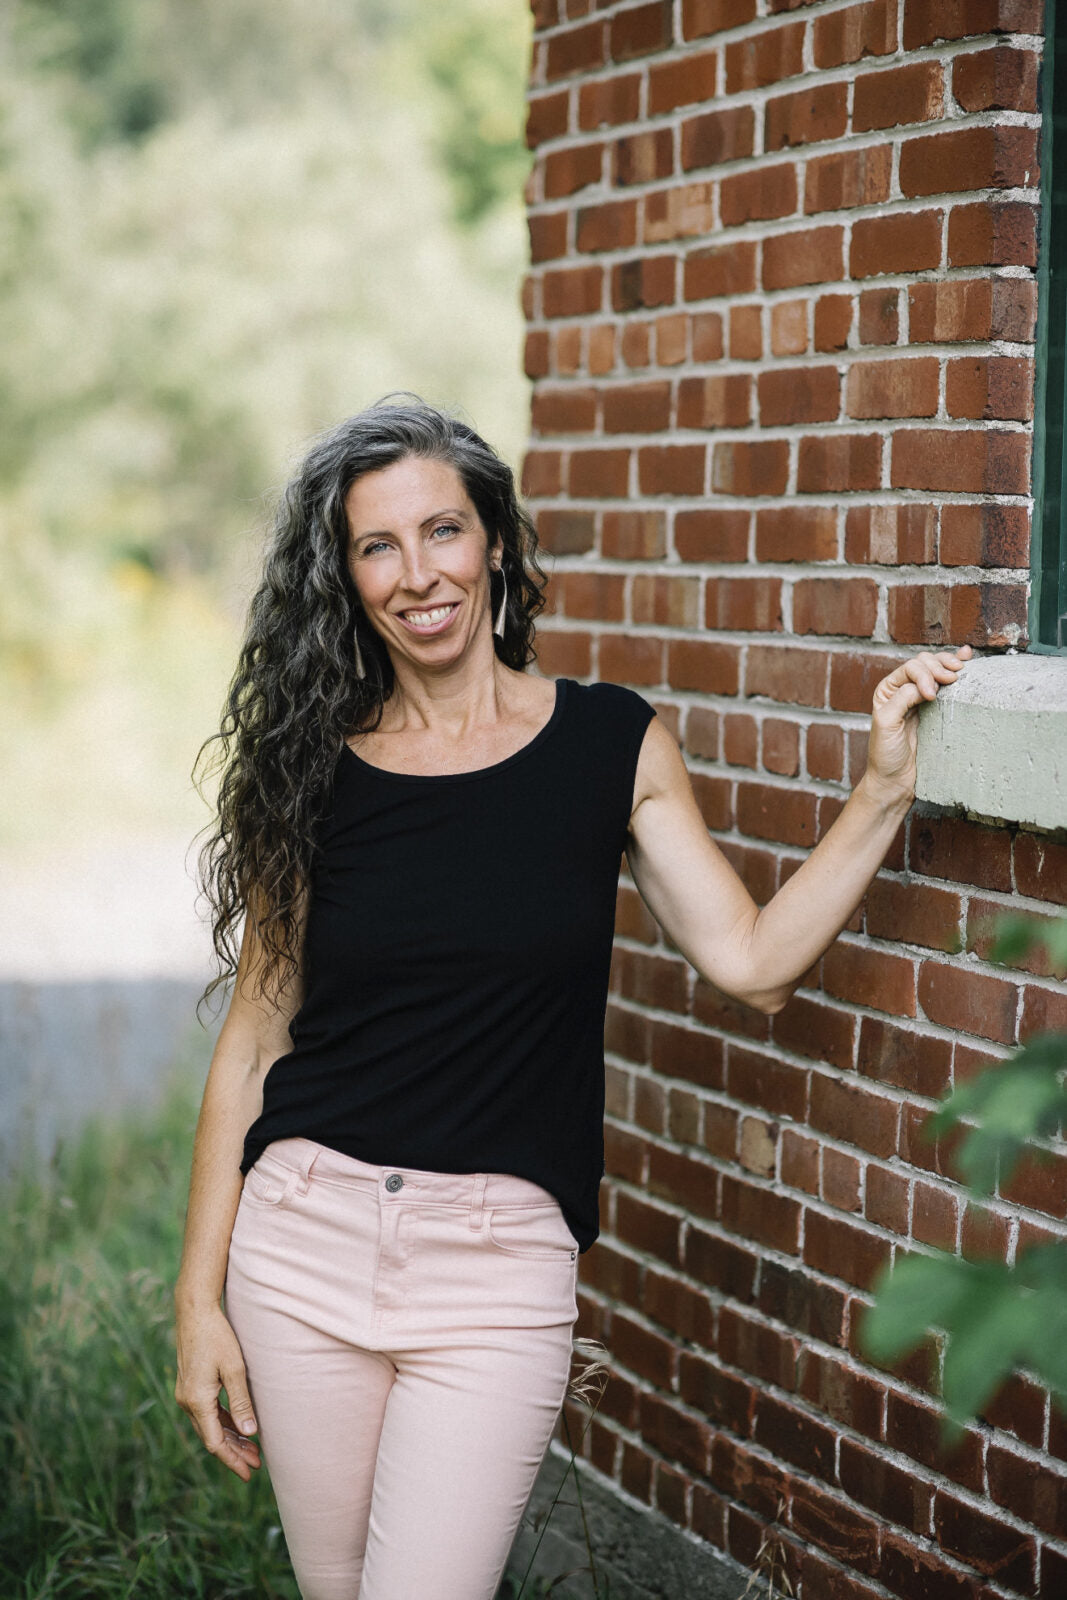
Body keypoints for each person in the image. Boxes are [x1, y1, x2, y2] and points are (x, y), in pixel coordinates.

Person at [173, 396, 971, 1600]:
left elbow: (751, 962)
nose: (416, 573)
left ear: (493, 538)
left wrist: (878, 789)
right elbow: (252, 1045)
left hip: (495, 1272)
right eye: (375, 545)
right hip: (299, 1247)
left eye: (441, 530)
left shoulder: (608, 746)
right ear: (344, 576)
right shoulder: (312, 766)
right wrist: (198, 1302)